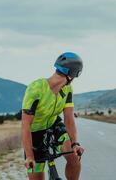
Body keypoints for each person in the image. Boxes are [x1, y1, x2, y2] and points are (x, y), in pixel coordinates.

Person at [21, 52, 84, 180]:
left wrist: (75, 143)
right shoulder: (36, 88)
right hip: (35, 131)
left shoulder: (67, 90)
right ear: (72, 75)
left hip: (54, 125)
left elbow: (69, 119)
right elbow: (25, 125)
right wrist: (29, 156)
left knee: (74, 159)